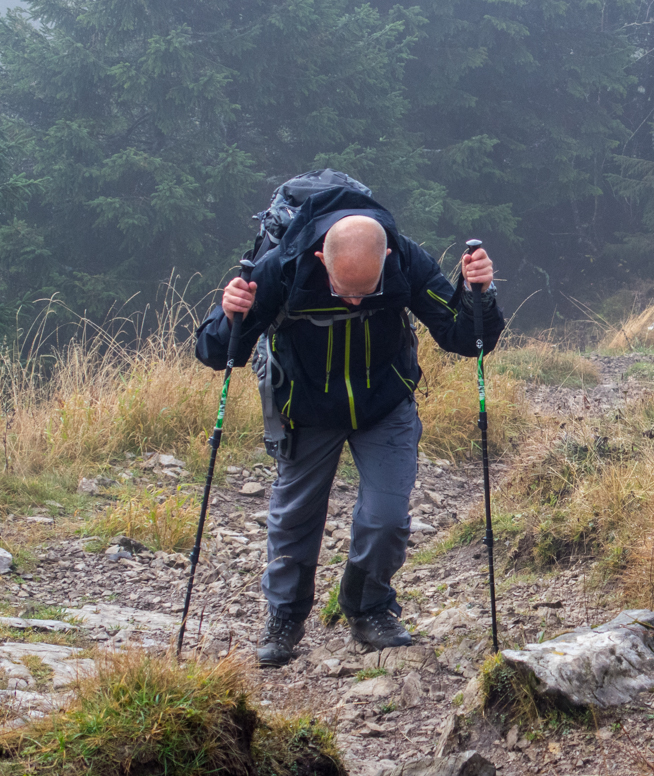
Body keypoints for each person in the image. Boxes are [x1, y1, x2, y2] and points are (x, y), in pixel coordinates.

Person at [195, 185, 504, 666]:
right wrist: (227, 313)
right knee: (295, 520)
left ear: (385, 257)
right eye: (345, 292)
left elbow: (465, 339)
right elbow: (220, 354)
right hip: (307, 407)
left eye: (369, 292)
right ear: (321, 257)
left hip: (384, 404)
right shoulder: (283, 265)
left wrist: (477, 294)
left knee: (386, 518)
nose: (357, 304)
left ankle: (368, 608)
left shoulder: (405, 258)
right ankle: (285, 617)